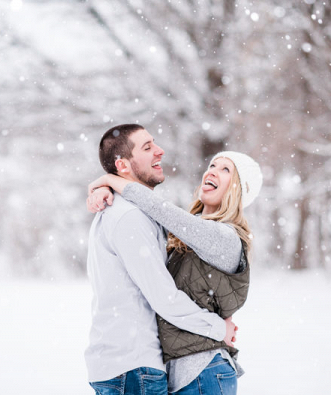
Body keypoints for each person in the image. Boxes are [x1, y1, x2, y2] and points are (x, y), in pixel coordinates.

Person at [88, 143, 263, 395]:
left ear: (239, 189)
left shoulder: (225, 238)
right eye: (212, 165)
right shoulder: (185, 237)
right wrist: (106, 189)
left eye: (225, 170)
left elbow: (161, 210)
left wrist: (110, 179)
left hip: (205, 371)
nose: (212, 171)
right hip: (178, 374)